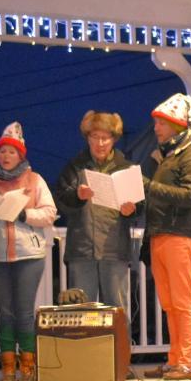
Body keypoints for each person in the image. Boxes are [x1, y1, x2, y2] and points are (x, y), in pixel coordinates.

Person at [0, 122, 57, 381]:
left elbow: (49, 212)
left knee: (23, 311)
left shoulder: (35, 180)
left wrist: (25, 214)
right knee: (4, 311)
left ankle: (28, 366)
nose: (6, 156)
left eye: (11, 152)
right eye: (2, 152)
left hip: (29, 254)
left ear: (21, 155)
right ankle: (8, 367)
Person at [141, 94, 191, 381]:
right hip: (160, 234)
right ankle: (174, 360)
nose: (156, 128)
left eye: (161, 123)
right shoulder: (166, 157)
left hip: (180, 236)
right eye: (156, 122)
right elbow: (160, 195)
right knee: (170, 303)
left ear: (177, 126)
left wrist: (150, 186)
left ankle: (187, 363)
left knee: (182, 301)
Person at [54, 111, 138, 313]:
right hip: (82, 250)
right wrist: (77, 196)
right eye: (95, 137)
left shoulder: (126, 168)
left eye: (105, 138)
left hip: (114, 249)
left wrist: (131, 210)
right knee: (82, 311)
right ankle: (85, 347)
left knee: (117, 312)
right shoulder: (75, 167)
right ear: (87, 138)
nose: (100, 143)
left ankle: (120, 346)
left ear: (114, 139)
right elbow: (61, 199)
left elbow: (140, 204)